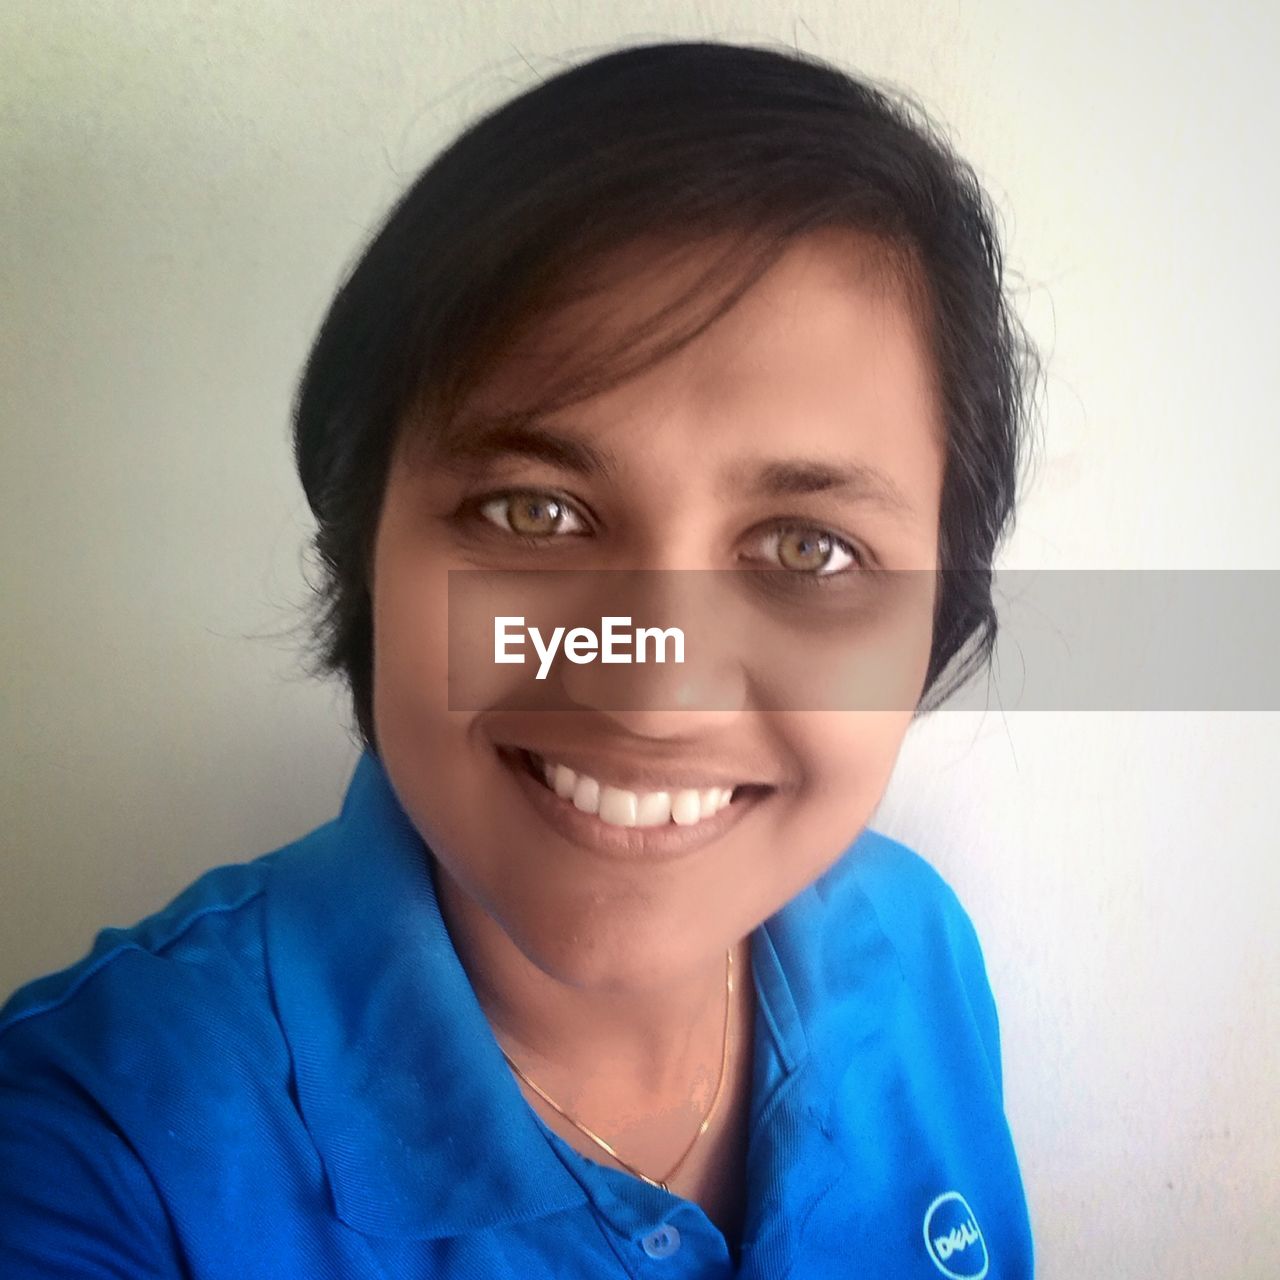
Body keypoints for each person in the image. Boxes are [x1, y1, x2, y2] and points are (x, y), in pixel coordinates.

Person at [0, 39, 1041, 1278]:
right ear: (364, 545)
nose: (653, 686)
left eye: (806, 548)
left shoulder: (915, 943)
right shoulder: (94, 1143)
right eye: (532, 511)